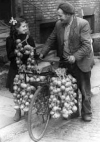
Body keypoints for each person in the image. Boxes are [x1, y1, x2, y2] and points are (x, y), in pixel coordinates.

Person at [40, 2, 94, 122]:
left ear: (69, 14)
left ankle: (87, 112)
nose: (58, 18)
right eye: (58, 16)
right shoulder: (59, 24)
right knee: (69, 88)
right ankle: (73, 112)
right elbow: (51, 39)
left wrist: (75, 56)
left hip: (81, 62)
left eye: (61, 16)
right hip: (65, 62)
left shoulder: (83, 24)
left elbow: (87, 46)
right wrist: (43, 52)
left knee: (84, 89)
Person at [6, 17, 35, 121]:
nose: (26, 28)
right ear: (17, 28)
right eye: (23, 26)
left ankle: (26, 111)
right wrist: (17, 51)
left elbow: (33, 53)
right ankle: (17, 111)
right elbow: (9, 56)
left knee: (26, 90)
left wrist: (30, 51)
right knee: (16, 91)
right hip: (15, 68)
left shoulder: (29, 38)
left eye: (26, 26)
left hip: (27, 68)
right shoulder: (10, 40)